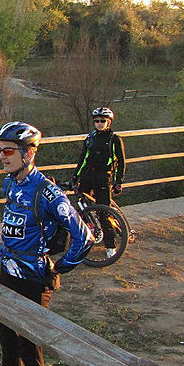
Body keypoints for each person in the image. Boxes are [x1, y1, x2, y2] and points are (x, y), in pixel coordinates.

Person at [0, 121, 93, 366]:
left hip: (33, 279)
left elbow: (84, 237)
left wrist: (59, 267)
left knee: (30, 349)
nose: (1, 156)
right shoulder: (10, 183)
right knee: (7, 342)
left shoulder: (48, 192)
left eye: (8, 150)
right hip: (8, 273)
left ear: (28, 153)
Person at [72, 107, 126, 258]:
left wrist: (119, 181)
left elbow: (121, 162)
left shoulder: (114, 139)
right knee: (83, 209)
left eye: (103, 121)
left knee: (104, 212)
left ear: (109, 122)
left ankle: (110, 246)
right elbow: (83, 159)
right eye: (97, 121)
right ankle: (86, 239)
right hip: (87, 176)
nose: (100, 123)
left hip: (103, 177)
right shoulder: (90, 138)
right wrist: (75, 176)